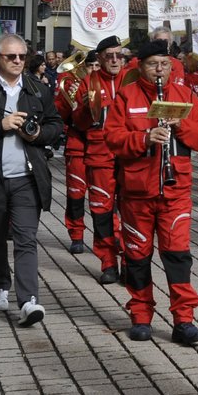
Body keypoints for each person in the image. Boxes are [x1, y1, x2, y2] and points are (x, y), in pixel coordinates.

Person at [104, 38, 198, 343]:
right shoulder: (126, 96)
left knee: (178, 256)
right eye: (153, 64)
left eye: (165, 64)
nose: (160, 70)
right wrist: (144, 138)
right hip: (137, 191)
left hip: (175, 190)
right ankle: (140, 315)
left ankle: (184, 319)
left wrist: (180, 127)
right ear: (140, 66)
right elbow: (112, 138)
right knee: (137, 257)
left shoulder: (184, 95)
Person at [0, 33, 65, 327]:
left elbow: (56, 126)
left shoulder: (37, 90)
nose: (19, 61)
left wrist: (36, 135)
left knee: (25, 238)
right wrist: (1, 125)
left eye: (23, 56)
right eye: (12, 56)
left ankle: (28, 300)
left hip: (27, 177)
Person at [72, 37, 130, 283]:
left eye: (119, 55)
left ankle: (130, 262)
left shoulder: (134, 80)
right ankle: (108, 262)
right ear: (101, 58)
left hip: (130, 155)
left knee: (131, 212)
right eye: (109, 55)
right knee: (101, 211)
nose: (115, 60)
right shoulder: (89, 82)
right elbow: (79, 123)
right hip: (100, 155)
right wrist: (84, 109)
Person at [54, 52, 94, 255]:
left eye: (97, 65)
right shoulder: (73, 84)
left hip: (103, 148)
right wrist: (66, 96)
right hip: (78, 145)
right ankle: (76, 234)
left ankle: (107, 237)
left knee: (105, 198)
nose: (94, 69)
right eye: (90, 65)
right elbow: (60, 114)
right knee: (75, 194)